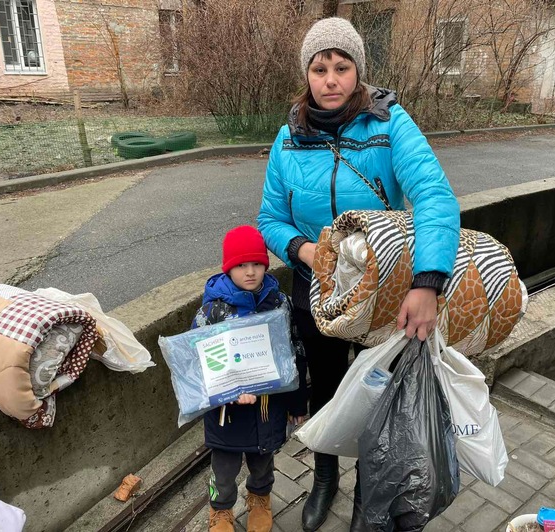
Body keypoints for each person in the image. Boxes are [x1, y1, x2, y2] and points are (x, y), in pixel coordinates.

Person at [257, 17, 460, 532]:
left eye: (341, 67)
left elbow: (434, 197)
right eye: (319, 68)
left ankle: (371, 496)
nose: (330, 79)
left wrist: (426, 282)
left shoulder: (391, 125)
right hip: (318, 293)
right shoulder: (289, 138)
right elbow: (269, 219)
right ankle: (325, 475)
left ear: (358, 72)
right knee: (324, 387)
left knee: (379, 399)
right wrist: (304, 252)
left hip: (384, 296)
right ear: (307, 75)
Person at [191, 225, 307, 532]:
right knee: (224, 468)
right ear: (228, 268)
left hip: (269, 407)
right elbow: (198, 361)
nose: (251, 271)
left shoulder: (279, 302)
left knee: (262, 462)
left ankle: (259, 498)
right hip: (227, 413)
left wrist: (297, 402)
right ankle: (220, 509)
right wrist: (229, 390)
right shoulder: (212, 311)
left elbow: (293, 352)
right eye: (241, 265)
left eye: (257, 263)